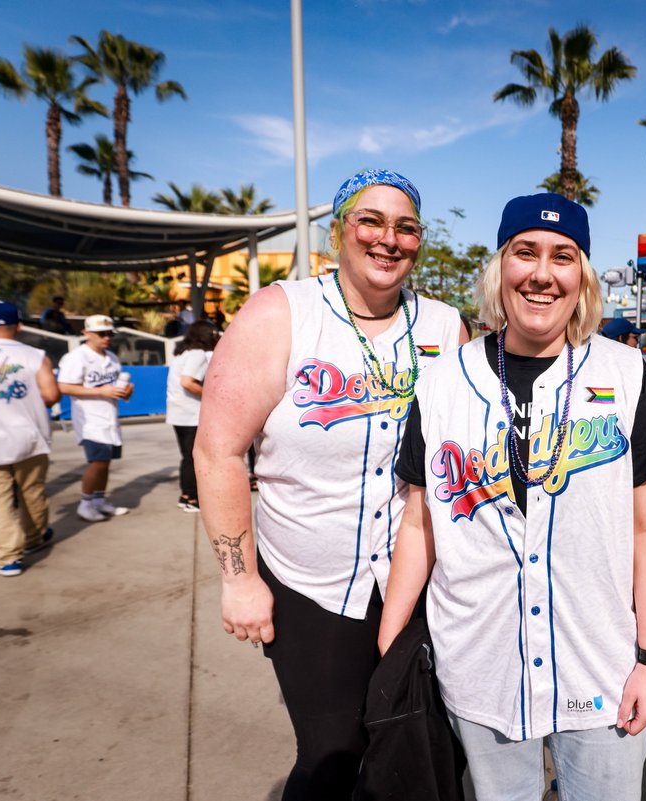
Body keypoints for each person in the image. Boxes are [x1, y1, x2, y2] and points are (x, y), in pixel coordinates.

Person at [378, 192, 646, 801]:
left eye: (563, 256)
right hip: (480, 665)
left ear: (583, 276)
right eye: (525, 253)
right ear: (500, 268)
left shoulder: (623, 373)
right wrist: (391, 645)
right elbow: (419, 525)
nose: (542, 273)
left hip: (600, 665)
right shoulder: (441, 382)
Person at [194, 168, 467, 800]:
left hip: (417, 579)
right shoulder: (280, 312)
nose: (387, 239)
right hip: (313, 587)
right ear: (338, 229)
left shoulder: (444, 327)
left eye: (405, 226)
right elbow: (218, 452)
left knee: (420, 748)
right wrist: (238, 578)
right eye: (369, 220)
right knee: (334, 752)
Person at [0, 301, 61, 576]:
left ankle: (7, 558)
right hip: (29, 437)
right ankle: (34, 537)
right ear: (19, 326)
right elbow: (52, 395)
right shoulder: (35, 356)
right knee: (31, 491)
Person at [58, 314, 133, 523]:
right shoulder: (77, 357)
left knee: (106, 462)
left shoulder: (111, 358)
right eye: (101, 334)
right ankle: (85, 503)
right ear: (86, 333)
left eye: (109, 333)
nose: (106, 337)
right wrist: (101, 392)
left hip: (109, 418)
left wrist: (126, 391)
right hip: (90, 420)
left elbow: (115, 387)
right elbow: (64, 386)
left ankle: (99, 501)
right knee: (98, 462)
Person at [166, 320, 219, 513]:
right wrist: (214, 397)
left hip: (178, 413)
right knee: (194, 457)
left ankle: (186, 495)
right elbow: (187, 382)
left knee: (187, 456)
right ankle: (191, 497)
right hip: (191, 414)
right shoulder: (197, 354)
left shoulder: (183, 353)